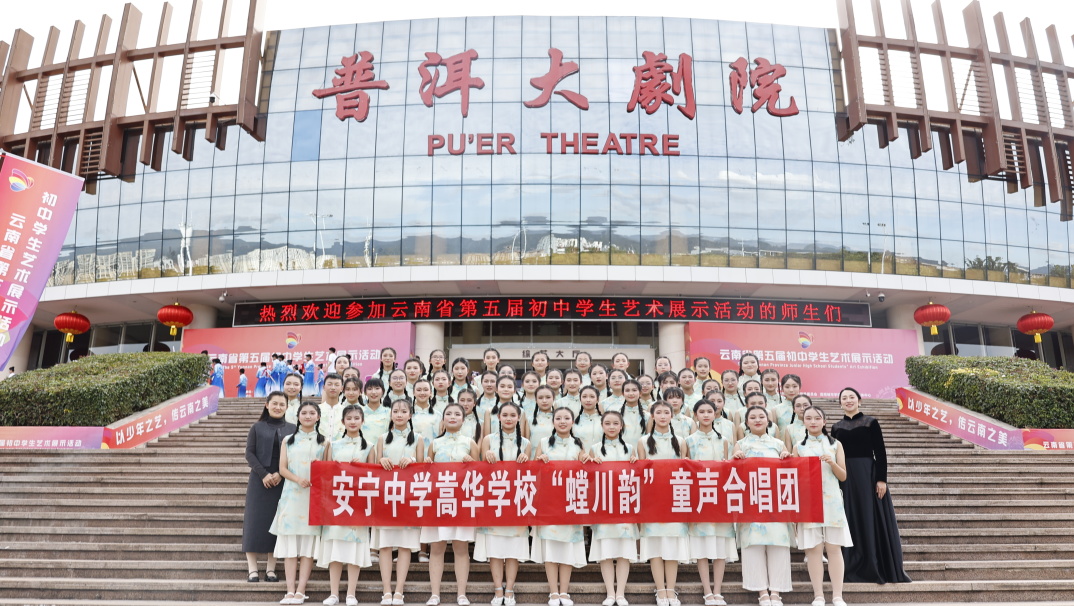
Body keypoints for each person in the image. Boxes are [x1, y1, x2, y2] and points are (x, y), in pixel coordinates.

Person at [832, 387, 911, 584]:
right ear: (840, 403)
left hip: (868, 475)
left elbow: (880, 452)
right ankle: (850, 566)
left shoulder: (871, 422)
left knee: (869, 518)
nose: (848, 400)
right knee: (850, 518)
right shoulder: (836, 427)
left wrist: (881, 479)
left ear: (859, 401)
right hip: (846, 478)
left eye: (852, 397)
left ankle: (875, 566)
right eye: (844, 398)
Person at [733, 406, 792, 606]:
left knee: (778, 545)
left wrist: (786, 459)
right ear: (746, 422)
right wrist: (736, 459)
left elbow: (789, 470)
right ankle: (762, 592)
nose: (757, 420)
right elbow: (733, 472)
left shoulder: (778, 444)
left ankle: (775, 592)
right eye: (752, 417)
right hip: (751, 501)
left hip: (775, 501)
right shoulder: (740, 444)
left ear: (768, 421)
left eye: (761, 417)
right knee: (753, 545)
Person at [270, 402, 328, 605]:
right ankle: (289, 590)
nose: (308, 416)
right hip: (291, 497)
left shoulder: (325, 442)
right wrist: (297, 479)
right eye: (304, 413)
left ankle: (301, 591)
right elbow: (282, 468)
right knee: (289, 548)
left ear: (318, 417)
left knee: (307, 548)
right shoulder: (288, 440)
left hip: (313, 498)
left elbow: (328, 468)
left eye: (312, 413)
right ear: (298, 416)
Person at [794, 405, 852, 606]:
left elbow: (843, 476)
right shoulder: (798, 447)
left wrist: (832, 463)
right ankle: (818, 595)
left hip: (832, 501)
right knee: (814, 550)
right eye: (808, 418)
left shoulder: (835, 444)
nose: (813, 422)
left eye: (817, 418)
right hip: (808, 502)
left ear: (824, 421)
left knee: (834, 549)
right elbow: (794, 477)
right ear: (803, 422)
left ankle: (837, 596)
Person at [423, 402, 480, 606]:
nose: (453, 417)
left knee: (461, 548)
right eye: (449, 413)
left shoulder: (470, 443)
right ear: (443, 419)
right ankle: (434, 594)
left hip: (462, 501)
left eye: (457, 414)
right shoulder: (434, 444)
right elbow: (426, 473)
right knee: (436, 548)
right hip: (438, 500)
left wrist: (472, 463)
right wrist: (427, 464)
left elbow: (479, 475)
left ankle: (461, 594)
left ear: (464, 420)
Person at [318, 405, 374, 606]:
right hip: (336, 502)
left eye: (356, 418)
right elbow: (325, 473)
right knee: (335, 549)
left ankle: (351, 593)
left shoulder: (369, 446)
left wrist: (360, 469)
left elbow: (374, 476)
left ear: (362, 421)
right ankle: (333, 593)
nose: (352, 421)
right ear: (342, 422)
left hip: (357, 503)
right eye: (349, 418)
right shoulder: (333, 445)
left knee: (354, 548)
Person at [532, 407, 589, 606]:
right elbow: (533, 472)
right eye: (558, 418)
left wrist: (586, 461)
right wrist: (539, 461)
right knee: (551, 548)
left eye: (566, 418)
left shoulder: (579, 444)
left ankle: (564, 591)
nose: (562, 421)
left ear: (573, 422)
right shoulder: (543, 443)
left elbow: (585, 471)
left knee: (567, 547)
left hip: (570, 501)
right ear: (553, 421)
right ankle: (553, 592)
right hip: (548, 503)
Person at [476, 402, 530, 606]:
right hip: (494, 499)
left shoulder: (526, 443)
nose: (508, 418)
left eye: (512, 415)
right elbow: (480, 469)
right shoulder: (488, 440)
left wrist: (526, 459)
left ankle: (510, 590)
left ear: (518, 418)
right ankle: (498, 589)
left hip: (516, 500)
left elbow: (530, 473)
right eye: (504, 415)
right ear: (498, 417)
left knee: (513, 548)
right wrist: (486, 456)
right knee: (495, 548)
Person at [637, 401, 691, 606]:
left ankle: (671, 590)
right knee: (655, 546)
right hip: (652, 500)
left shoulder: (680, 440)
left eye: (666, 412)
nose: (662, 416)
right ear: (652, 416)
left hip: (675, 498)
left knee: (672, 546)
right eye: (658, 412)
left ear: (672, 415)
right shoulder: (643, 441)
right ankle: (660, 590)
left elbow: (686, 470)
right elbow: (641, 472)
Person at [375, 399, 425, 606]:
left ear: (410, 415)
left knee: (405, 546)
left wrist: (412, 461)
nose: (399, 414)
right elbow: (374, 466)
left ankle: (399, 590)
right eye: (395, 411)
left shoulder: (418, 439)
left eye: (404, 411)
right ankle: (386, 590)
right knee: (385, 546)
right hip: (386, 497)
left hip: (408, 498)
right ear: (391, 415)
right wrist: (380, 461)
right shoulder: (381, 438)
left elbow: (423, 467)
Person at [686, 399, 736, 606]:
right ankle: (707, 591)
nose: (706, 415)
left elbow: (729, 468)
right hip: (699, 497)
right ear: (695, 415)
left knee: (720, 546)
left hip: (720, 497)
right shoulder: (688, 441)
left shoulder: (724, 440)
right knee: (702, 545)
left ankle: (718, 590)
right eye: (702, 412)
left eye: (709, 411)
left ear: (715, 414)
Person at [243, 392, 296, 584]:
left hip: (282, 481)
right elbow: (249, 453)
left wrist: (281, 473)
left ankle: (271, 569)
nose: (278, 407)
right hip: (259, 480)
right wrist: (263, 474)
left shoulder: (292, 428)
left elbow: (294, 455)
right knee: (254, 523)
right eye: (274, 403)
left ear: (287, 407)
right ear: (267, 405)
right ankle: (252, 569)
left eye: (282, 404)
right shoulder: (257, 427)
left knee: (276, 523)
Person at [587, 410, 637, 606]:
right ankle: (610, 593)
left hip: (624, 504)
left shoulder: (630, 448)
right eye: (607, 423)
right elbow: (588, 478)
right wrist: (592, 464)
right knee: (605, 551)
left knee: (624, 551)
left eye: (616, 423)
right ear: (602, 426)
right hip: (603, 505)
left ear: (621, 426)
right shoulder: (594, 449)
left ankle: (621, 593)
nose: (611, 427)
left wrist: (635, 463)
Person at [528, 385, 557, 457]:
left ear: (553, 398)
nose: (544, 401)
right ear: (536, 400)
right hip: (535, 459)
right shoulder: (529, 419)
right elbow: (526, 443)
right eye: (540, 398)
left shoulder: (559, 419)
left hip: (555, 460)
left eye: (548, 397)